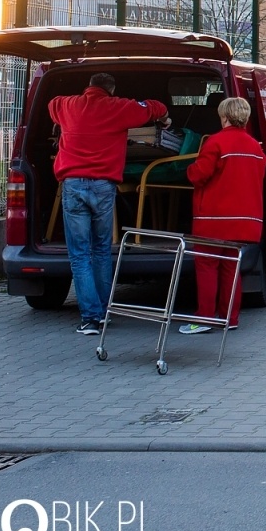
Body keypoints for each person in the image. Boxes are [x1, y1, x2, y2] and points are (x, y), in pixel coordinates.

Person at [49, 73, 169, 335]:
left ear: (89, 86)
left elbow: (52, 104)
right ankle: (102, 313)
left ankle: (90, 319)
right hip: (104, 186)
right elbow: (156, 107)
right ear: (111, 90)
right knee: (102, 250)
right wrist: (164, 118)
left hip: (73, 185)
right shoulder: (120, 107)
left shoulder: (67, 104)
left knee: (79, 254)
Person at [178, 97, 266, 335]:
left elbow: (199, 174)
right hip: (244, 222)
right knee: (231, 268)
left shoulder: (216, 142)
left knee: (207, 266)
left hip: (213, 220)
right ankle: (230, 317)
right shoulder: (255, 147)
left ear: (224, 117)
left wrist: (188, 168)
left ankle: (204, 318)